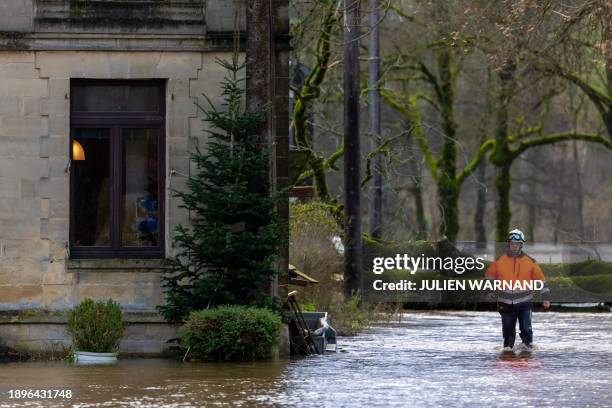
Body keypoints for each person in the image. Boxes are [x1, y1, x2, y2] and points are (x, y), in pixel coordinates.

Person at [485, 229, 551, 350]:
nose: (514, 246)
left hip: (525, 303)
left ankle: (527, 352)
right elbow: (489, 278)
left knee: (526, 329)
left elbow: (541, 281)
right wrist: (488, 292)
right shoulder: (499, 261)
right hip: (504, 303)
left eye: (517, 244)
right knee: (508, 338)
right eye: (512, 243)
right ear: (509, 244)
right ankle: (508, 357)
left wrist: (545, 298)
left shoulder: (531, 262)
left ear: (521, 245)